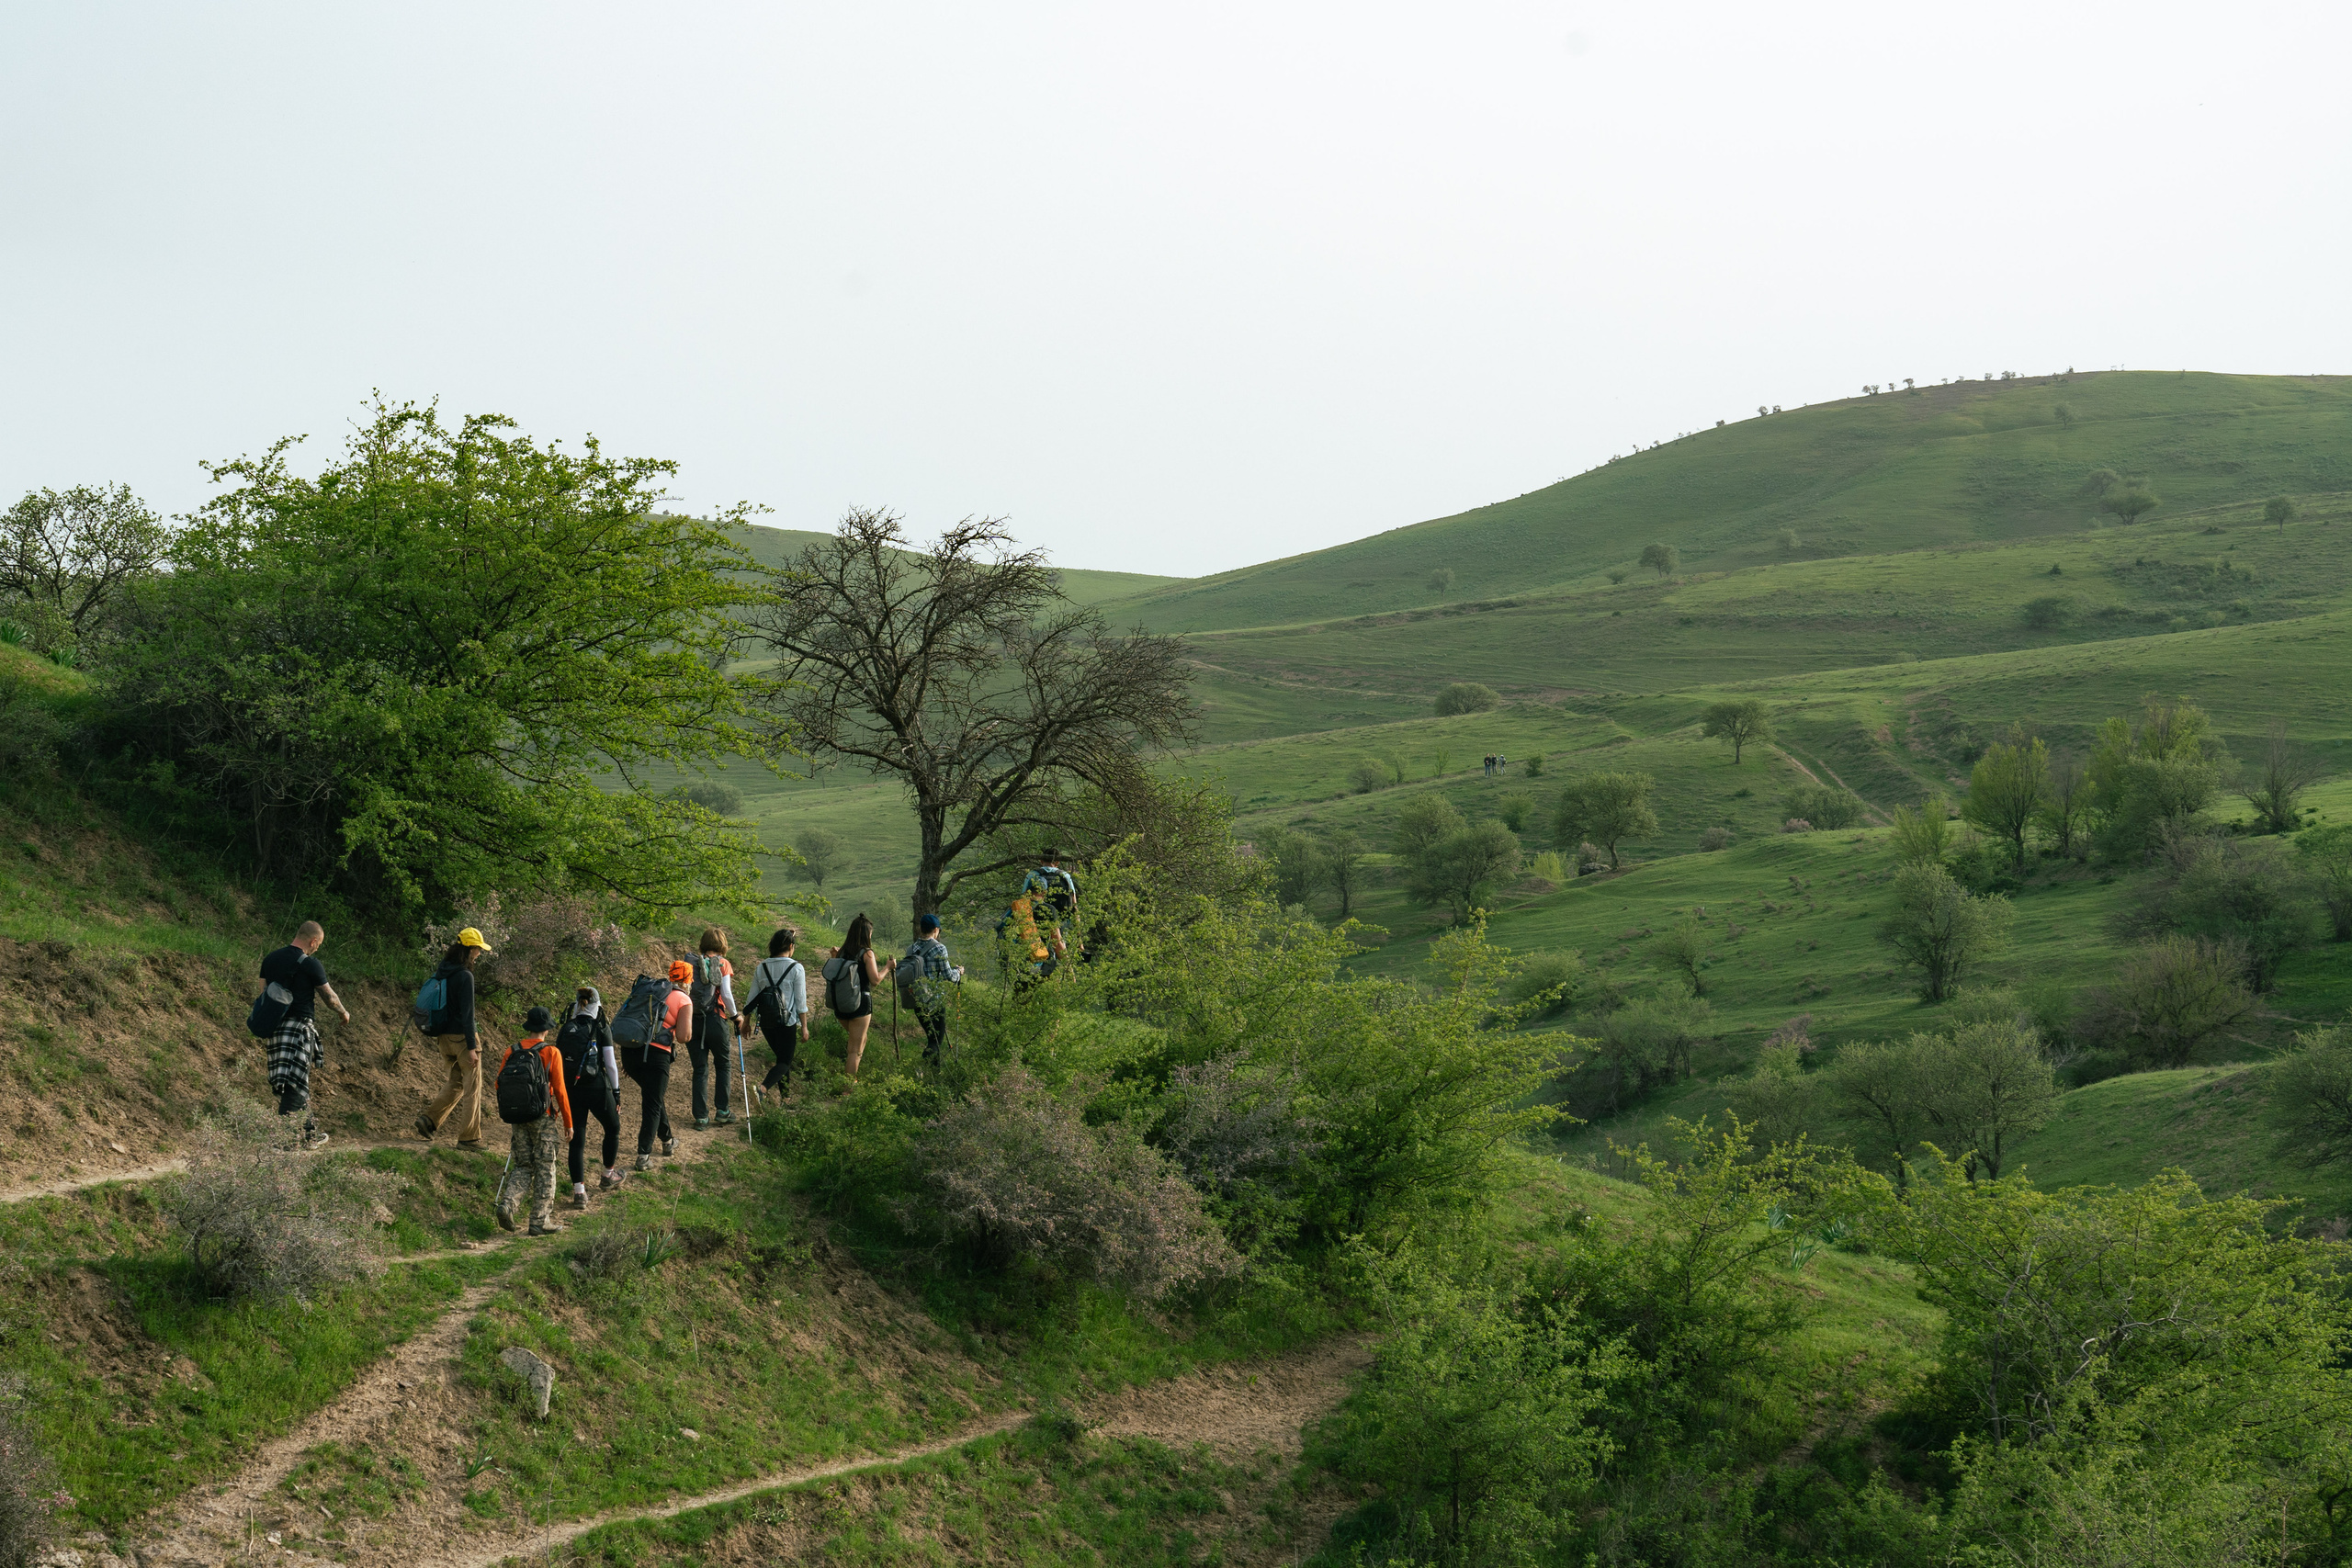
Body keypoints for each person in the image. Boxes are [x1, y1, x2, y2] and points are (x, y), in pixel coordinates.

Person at [261, 920, 349, 1150]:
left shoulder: (270, 959)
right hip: (299, 1028)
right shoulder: (310, 963)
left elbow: (263, 993)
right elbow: (329, 997)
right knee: (294, 1083)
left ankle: (309, 1135)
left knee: (297, 1081)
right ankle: (281, 1142)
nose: (317, 948)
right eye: (318, 944)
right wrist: (343, 1012)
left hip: (275, 1029)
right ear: (313, 941)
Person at [492, 1006, 574, 1237]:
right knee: (546, 1166)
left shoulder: (512, 1050)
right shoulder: (551, 1052)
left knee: (523, 1165)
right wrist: (568, 1122)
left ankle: (508, 1205)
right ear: (546, 1030)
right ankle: (540, 1221)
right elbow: (559, 1090)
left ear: (529, 1028)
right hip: (542, 1117)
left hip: (518, 1117)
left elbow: (499, 1084)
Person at [415, 927, 494, 1150]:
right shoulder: (465, 976)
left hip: (443, 1038)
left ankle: (429, 1120)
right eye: (478, 949)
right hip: (462, 1040)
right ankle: (469, 1138)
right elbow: (468, 1015)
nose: (479, 953)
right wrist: (472, 1046)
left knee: (456, 1082)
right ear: (470, 949)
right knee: (472, 1088)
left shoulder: (443, 971)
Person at [621, 960, 694, 1171]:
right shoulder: (683, 999)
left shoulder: (652, 991)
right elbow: (683, 1037)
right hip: (655, 1056)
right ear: (688, 980)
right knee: (652, 1103)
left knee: (654, 1096)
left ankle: (668, 1140)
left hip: (630, 1051)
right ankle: (643, 1156)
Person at [556, 986, 623, 1209]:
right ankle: (608, 1175)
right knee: (612, 1127)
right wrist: (616, 1093)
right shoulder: (600, 1027)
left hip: (571, 1088)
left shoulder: (566, 1028)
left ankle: (579, 1193)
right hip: (596, 1086)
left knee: (577, 1140)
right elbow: (611, 1065)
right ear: (597, 1004)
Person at [685, 928, 740, 1131]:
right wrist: (735, 1016)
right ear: (722, 945)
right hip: (716, 1019)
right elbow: (726, 993)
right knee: (723, 1065)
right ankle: (723, 1111)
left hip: (693, 1019)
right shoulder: (723, 964)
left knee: (700, 1069)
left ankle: (701, 1117)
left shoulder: (691, 964)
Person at [745, 927, 808, 1101]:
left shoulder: (762, 967)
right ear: (790, 946)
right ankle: (762, 1089)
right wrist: (804, 1027)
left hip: (766, 1022)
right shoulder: (796, 968)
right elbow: (800, 1001)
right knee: (785, 1061)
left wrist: (746, 1020)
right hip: (787, 1022)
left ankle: (785, 1100)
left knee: (782, 1058)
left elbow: (752, 996)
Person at [821, 914, 887, 1077]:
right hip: (860, 1004)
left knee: (861, 1041)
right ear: (867, 934)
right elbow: (875, 980)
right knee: (854, 1050)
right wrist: (888, 967)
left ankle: (853, 1080)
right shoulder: (867, 953)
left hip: (841, 1005)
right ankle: (848, 1088)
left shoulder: (841, 952)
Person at [897, 913, 962, 1066]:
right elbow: (948, 976)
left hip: (917, 1001)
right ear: (936, 930)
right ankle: (926, 1069)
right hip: (935, 1002)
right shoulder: (939, 948)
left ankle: (933, 1074)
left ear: (921, 928)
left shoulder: (911, 949)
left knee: (932, 1038)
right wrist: (958, 972)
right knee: (936, 1041)